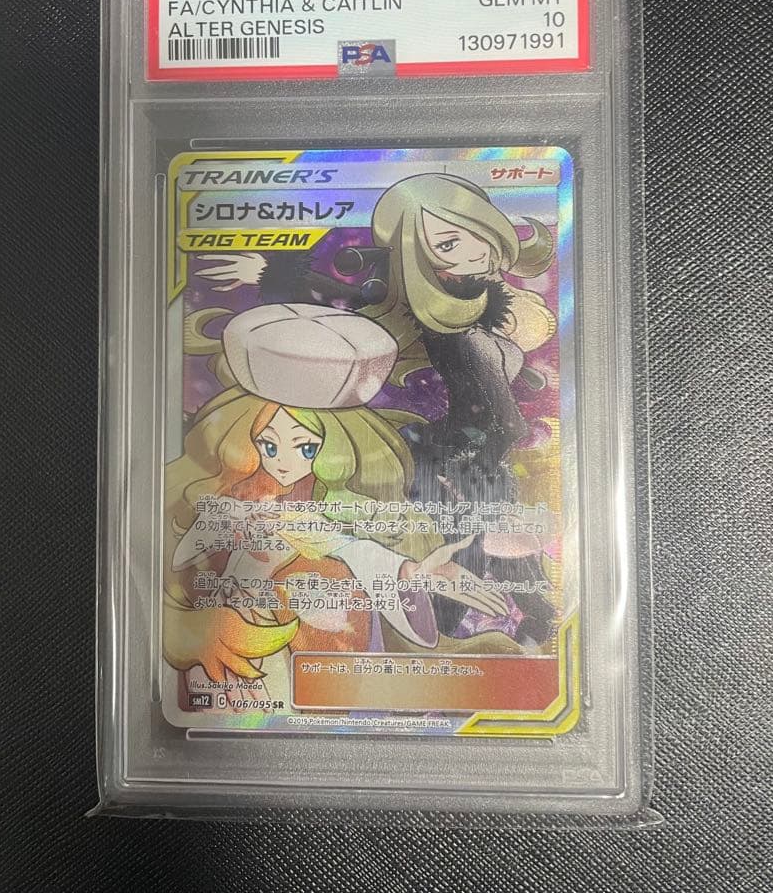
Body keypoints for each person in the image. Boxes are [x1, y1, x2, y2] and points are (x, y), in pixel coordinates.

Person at [164, 303, 517, 712]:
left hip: (303, 649)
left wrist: (414, 572)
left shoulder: (335, 508)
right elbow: (183, 555)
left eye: (305, 447)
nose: (282, 461)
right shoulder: (234, 500)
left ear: (334, 449)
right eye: (268, 445)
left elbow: (352, 549)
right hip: (235, 646)